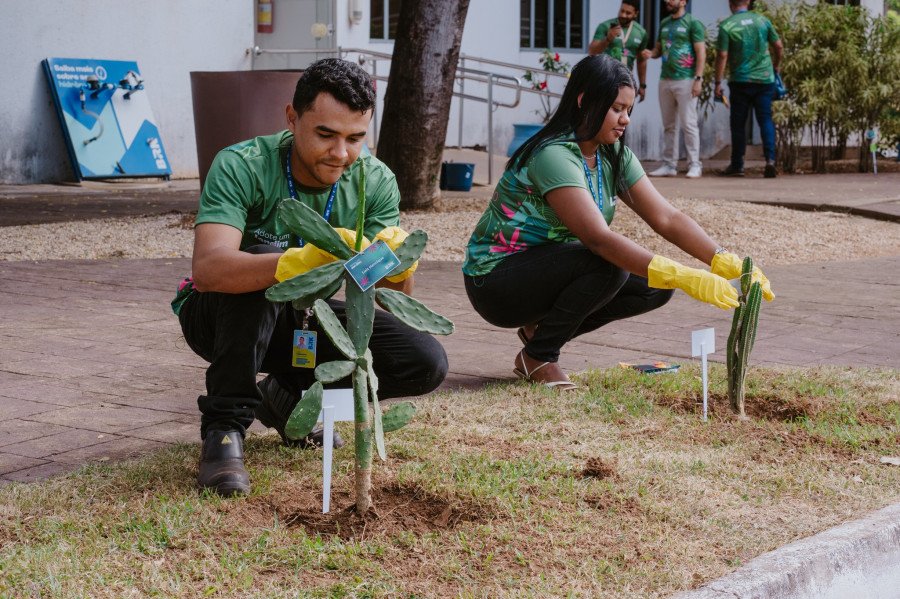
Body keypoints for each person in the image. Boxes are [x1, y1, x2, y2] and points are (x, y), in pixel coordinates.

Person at [172, 58, 448, 497]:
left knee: (424, 361)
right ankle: (224, 432)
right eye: (326, 135)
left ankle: (285, 397)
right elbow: (208, 271)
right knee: (262, 260)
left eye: (355, 138)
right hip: (218, 315)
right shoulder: (242, 164)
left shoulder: (374, 181)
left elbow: (384, 295)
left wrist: (399, 264)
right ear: (292, 117)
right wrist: (296, 260)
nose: (341, 153)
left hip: (301, 317)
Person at [462, 54, 773, 391]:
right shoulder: (554, 155)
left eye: (629, 110)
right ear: (584, 101)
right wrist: (685, 275)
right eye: (616, 109)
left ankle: (540, 334)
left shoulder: (614, 155)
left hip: (546, 270)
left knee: (653, 286)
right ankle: (539, 356)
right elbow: (598, 239)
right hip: (495, 282)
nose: (625, 119)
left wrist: (723, 259)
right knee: (610, 265)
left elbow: (667, 218)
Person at [715, 0, 783, 178]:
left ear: (731, 3)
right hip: (765, 80)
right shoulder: (762, 20)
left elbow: (722, 55)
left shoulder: (727, 25)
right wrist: (776, 66)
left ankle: (738, 165)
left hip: (740, 81)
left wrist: (717, 82)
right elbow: (779, 46)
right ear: (748, 2)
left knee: (738, 124)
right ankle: (770, 161)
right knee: (766, 120)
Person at [647, 0, 707, 179]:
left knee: (689, 124)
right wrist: (650, 53)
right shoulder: (664, 23)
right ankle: (669, 165)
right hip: (665, 79)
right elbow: (658, 49)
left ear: (683, 2)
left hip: (686, 80)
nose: (667, 1)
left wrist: (698, 79)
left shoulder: (693, 23)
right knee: (669, 125)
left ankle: (695, 164)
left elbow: (701, 52)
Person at [588, 0, 651, 103]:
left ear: (636, 14)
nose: (623, 15)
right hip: (604, 79)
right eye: (622, 10)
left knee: (622, 115)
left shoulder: (641, 33)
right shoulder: (605, 26)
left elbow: (641, 61)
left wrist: (642, 85)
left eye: (628, 13)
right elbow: (592, 52)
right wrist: (608, 39)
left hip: (626, 81)